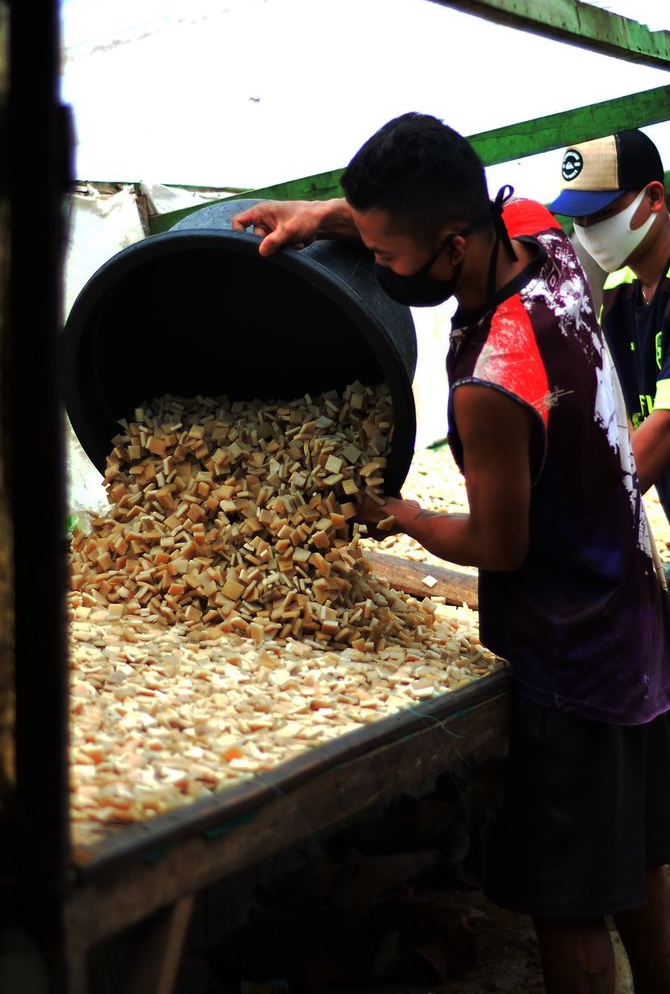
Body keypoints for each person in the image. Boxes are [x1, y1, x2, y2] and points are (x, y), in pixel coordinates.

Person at [232, 112, 670, 993]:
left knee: (570, 901)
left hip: (573, 656)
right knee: (639, 859)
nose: (384, 271)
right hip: (637, 619)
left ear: (455, 246)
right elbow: (414, 216)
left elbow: (499, 546)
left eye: (392, 260)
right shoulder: (540, 244)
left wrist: (398, 515)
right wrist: (320, 219)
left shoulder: (491, 384)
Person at [547, 130, 670, 532]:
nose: (588, 228)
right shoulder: (619, 292)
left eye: (602, 214)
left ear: (654, 197)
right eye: (579, 218)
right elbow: (628, 415)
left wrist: (582, 521)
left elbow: (665, 425)